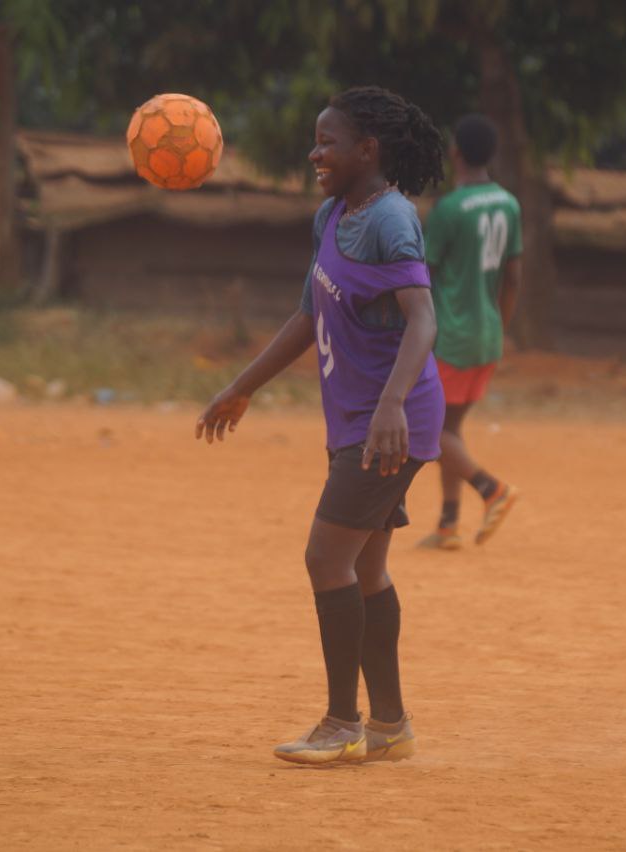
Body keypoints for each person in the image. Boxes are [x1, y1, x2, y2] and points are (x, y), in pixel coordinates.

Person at [195, 86, 446, 765]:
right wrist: (241, 387)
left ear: (369, 149)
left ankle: (342, 723)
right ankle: (390, 726)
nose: (315, 152)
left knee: (324, 558)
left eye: (328, 141)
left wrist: (391, 405)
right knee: (364, 566)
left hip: (389, 418)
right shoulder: (334, 215)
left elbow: (423, 317)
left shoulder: (392, 218)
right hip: (360, 416)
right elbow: (309, 315)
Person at [417, 114, 523, 551]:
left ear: (455, 152)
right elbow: (513, 277)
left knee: (425, 428)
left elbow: (419, 277)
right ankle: (447, 523)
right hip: (487, 333)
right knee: (449, 430)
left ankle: (491, 489)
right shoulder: (509, 204)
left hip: (451, 336)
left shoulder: (450, 210)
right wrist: (501, 328)